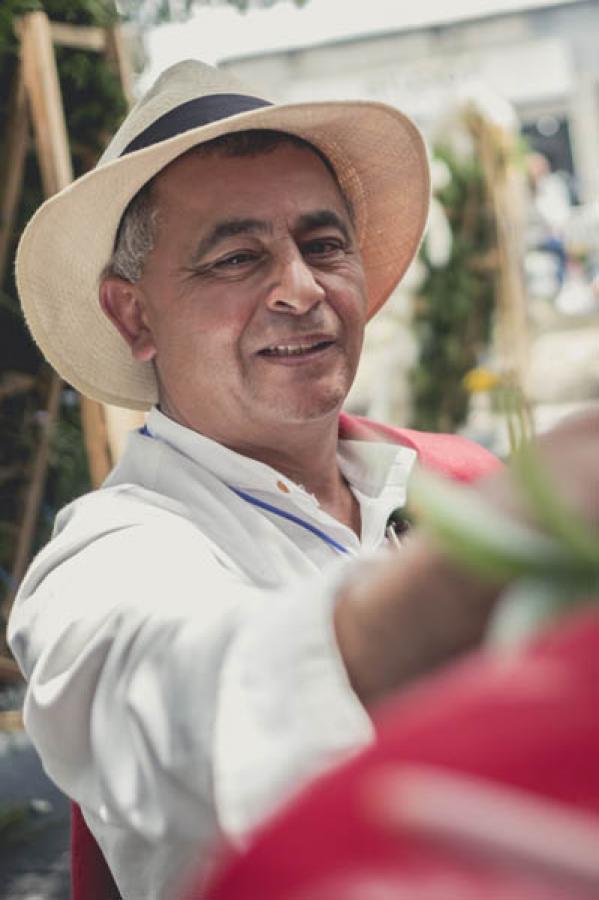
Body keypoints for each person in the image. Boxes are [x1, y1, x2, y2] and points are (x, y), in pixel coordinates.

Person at [8, 59, 591, 900]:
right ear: (133, 314)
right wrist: (473, 568)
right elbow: (175, 708)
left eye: (323, 245)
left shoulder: (451, 478)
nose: (300, 287)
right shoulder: (102, 562)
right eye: (237, 258)